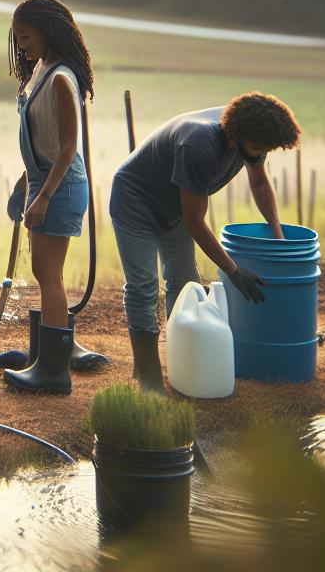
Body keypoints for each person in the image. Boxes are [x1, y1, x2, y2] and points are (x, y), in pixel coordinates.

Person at [111, 92, 300, 393]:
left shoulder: (252, 133)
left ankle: (181, 360)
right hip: (135, 200)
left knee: (185, 283)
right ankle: (147, 374)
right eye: (258, 147)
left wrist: (278, 237)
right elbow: (195, 222)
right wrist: (233, 271)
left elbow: (259, 181)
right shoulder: (199, 145)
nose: (261, 153)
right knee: (143, 286)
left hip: (175, 205)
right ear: (238, 134)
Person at [0, 0, 95, 394]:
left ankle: (52, 372)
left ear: (47, 31)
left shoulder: (62, 79)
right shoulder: (41, 69)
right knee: (46, 273)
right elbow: (42, 138)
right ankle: (50, 356)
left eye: (26, 36)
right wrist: (26, 181)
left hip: (60, 185)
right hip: (43, 179)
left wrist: (44, 195)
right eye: (17, 37)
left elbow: (67, 147)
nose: (21, 45)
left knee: (49, 276)